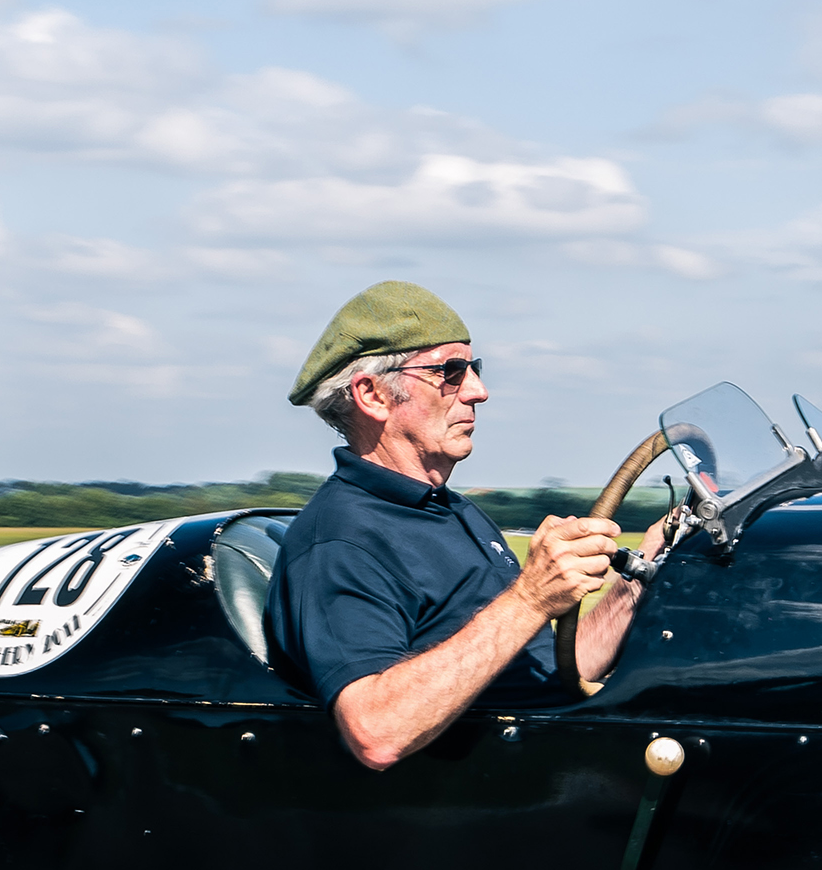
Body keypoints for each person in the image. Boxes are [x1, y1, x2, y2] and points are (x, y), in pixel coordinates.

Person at [265, 281, 660, 770]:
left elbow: (545, 673)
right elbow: (375, 730)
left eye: (473, 369)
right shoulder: (342, 539)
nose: (478, 390)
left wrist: (640, 579)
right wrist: (530, 598)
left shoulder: (448, 509)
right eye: (449, 371)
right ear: (372, 395)